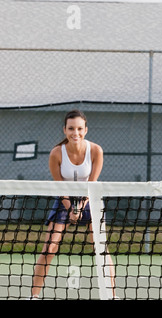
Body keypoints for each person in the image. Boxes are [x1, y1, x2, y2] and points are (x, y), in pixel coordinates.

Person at [31, 109, 116, 299]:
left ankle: (112, 295)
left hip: (90, 199)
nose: (75, 133)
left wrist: (80, 207)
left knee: (101, 248)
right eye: (71, 129)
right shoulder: (56, 154)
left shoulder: (96, 151)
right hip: (64, 199)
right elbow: (60, 187)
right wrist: (71, 208)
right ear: (64, 130)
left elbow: (92, 184)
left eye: (79, 128)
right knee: (49, 249)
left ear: (85, 130)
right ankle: (33, 296)